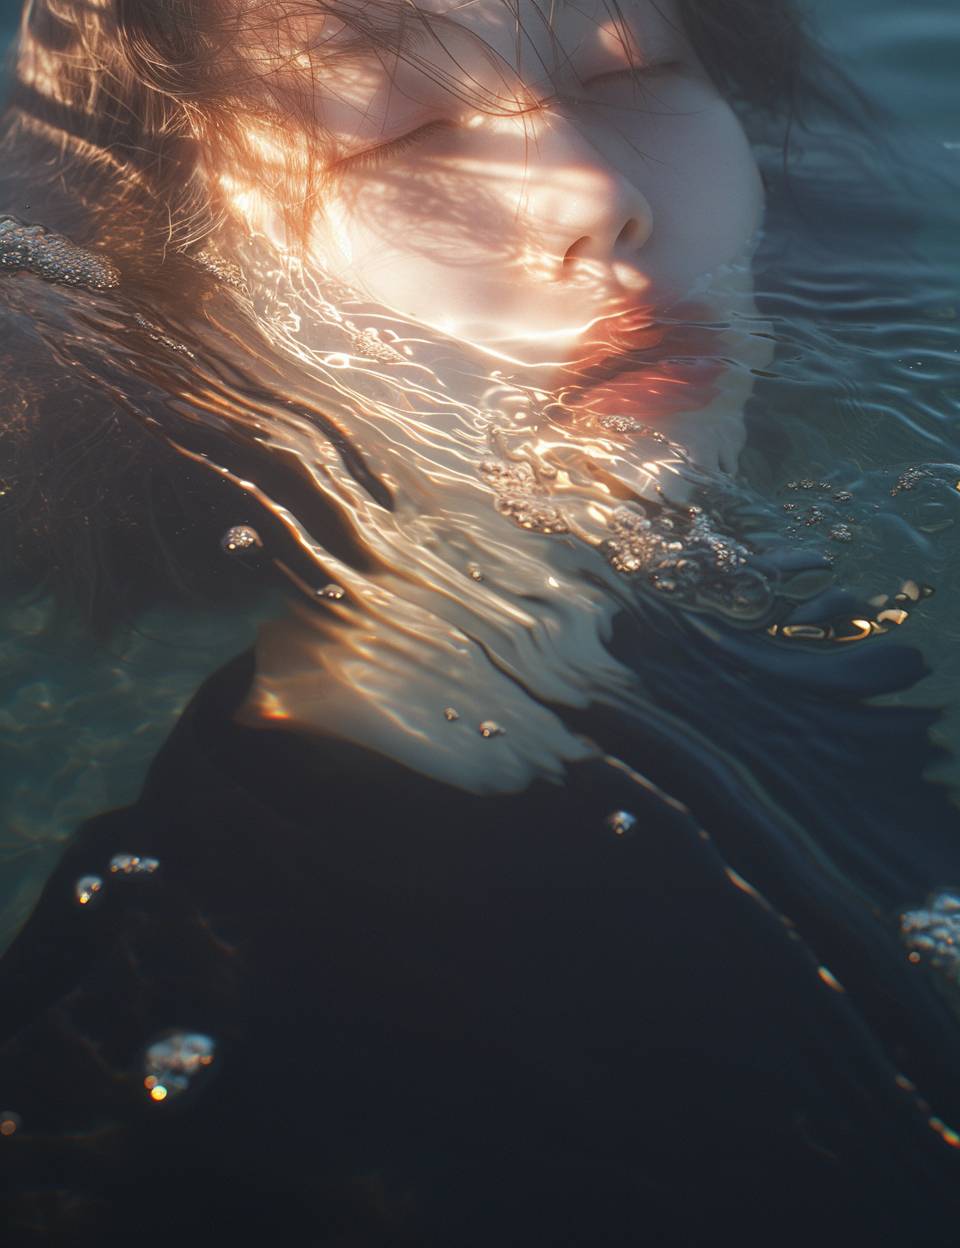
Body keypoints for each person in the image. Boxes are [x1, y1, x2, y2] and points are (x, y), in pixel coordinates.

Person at [2, 1, 960, 1243]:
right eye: (406, 137)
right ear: (174, 290)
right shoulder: (175, 1041)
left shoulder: (773, 628)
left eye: (638, 75)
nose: (595, 191)